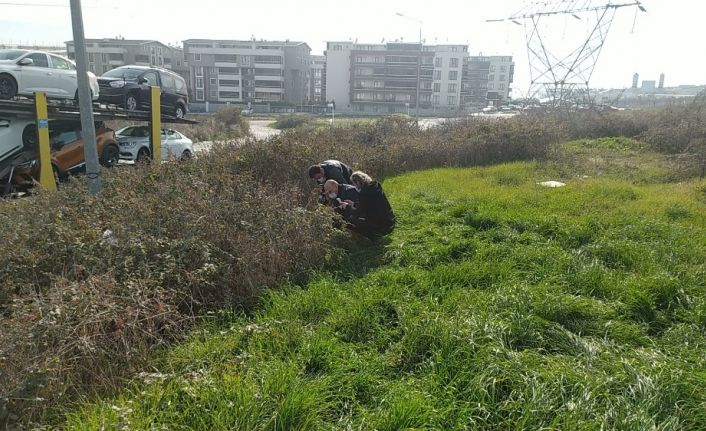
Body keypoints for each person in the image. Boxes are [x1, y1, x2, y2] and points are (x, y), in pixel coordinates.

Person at [347, 171, 396, 239]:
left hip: (382, 226)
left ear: (358, 182)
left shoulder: (364, 194)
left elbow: (358, 213)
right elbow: (370, 204)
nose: (354, 186)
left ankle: (375, 236)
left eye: (354, 183)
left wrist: (348, 207)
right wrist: (354, 204)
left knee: (351, 220)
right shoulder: (376, 185)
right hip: (390, 220)